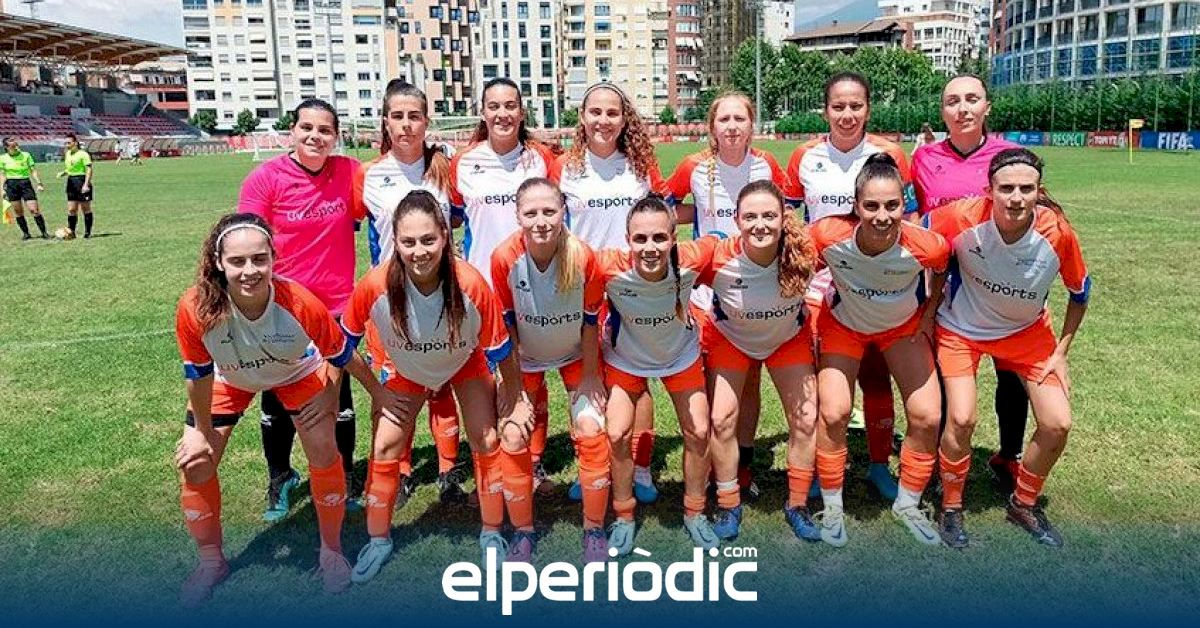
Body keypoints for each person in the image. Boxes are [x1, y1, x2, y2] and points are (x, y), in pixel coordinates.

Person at [344, 191, 534, 581]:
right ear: (395, 241)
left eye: (428, 239)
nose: (419, 251)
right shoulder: (375, 284)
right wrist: (377, 391)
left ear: (445, 236)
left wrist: (515, 397)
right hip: (408, 369)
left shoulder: (469, 282)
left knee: (485, 438)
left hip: (464, 361)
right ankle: (378, 540)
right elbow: (342, 346)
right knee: (385, 445)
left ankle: (491, 532)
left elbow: (501, 349)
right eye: (409, 241)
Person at [173, 214, 356, 605]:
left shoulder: (298, 301)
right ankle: (211, 563)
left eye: (259, 259)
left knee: (324, 448)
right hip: (230, 377)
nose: (249, 270)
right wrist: (201, 432)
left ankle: (331, 553)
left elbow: (338, 352)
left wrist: (329, 395)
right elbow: (199, 374)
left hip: (295, 371)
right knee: (196, 462)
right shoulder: (196, 307)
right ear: (218, 262)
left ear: (273, 258)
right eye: (237, 261)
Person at [926, 148, 1090, 549]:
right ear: (990, 190)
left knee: (1057, 423)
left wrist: (1061, 352)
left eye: (1026, 189)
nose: (1016, 198)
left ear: (1039, 191)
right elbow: (912, 234)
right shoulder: (961, 216)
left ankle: (1023, 504)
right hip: (961, 329)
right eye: (1006, 188)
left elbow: (1080, 293)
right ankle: (951, 506)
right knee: (961, 418)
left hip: (1027, 334)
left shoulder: (1057, 233)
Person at [784, 72, 917, 500]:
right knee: (823, 385)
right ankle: (822, 466)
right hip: (821, 289)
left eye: (855, 106)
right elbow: (790, 221)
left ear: (868, 109)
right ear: (825, 110)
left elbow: (911, 220)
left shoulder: (890, 153)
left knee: (876, 378)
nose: (847, 114)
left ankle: (878, 465)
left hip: (877, 286)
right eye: (838, 106)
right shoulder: (804, 156)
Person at [810, 153, 949, 548]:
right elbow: (798, 261)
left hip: (900, 329)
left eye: (892, 205)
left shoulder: (928, 245)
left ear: (904, 204)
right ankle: (832, 506)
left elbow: (942, 269)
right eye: (871, 206)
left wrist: (928, 314)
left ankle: (908, 504)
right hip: (844, 327)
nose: (882, 216)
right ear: (856, 206)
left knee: (927, 416)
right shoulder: (827, 234)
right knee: (834, 412)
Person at [238, 99, 362, 521]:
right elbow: (247, 241)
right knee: (277, 397)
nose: (315, 136)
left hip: (336, 308)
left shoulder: (349, 173)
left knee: (338, 397)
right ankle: (281, 476)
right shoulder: (264, 179)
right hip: (282, 309)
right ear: (292, 130)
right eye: (307, 127)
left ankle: (344, 475)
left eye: (325, 130)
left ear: (336, 136)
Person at [664, 91, 790, 501]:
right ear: (712, 127)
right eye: (724, 119)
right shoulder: (694, 166)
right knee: (707, 384)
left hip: (755, 289)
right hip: (707, 291)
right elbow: (667, 207)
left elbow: (785, 213)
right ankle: (706, 464)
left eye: (740, 119)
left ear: (752, 124)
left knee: (749, 379)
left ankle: (743, 464)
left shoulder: (767, 165)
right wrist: (699, 221)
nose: (732, 127)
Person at [549, 82, 666, 504]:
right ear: (582, 117)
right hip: (579, 287)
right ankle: (593, 465)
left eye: (612, 112)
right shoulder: (563, 168)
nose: (603, 120)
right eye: (595, 112)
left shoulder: (640, 166)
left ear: (624, 118)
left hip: (631, 287)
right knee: (584, 380)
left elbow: (663, 217)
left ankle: (641, 468)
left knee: (636, 381)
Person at [912, 75, 1028, 491]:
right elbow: (916, 219)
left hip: (1002, 285)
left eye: (972, 99)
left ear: (987, 107)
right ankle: (943, 460)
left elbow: (1029, 213)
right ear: (942, 111)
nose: (963, 109)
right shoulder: (924, 158)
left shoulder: (1011, 156)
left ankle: (1009, 456)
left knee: (1011, 375)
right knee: (949, 376)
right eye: (953, 101)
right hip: (947, 288)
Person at [353, 79, 466, 504]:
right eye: (397, 116)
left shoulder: (444, 171)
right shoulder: (367, 174)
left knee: (442, 383)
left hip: (441, 295)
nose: (406, 125)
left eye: (414, 116)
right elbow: (348, 226)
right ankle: (397, 470)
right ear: (385, 121)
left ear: (426, 121)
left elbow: (459, 220)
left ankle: (448, 470)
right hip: (389, 301)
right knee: (395, 385)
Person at [491, 178, 610, 563]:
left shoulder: (583, 256)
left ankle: (594, 528)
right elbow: (507, 326)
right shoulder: (504, 258)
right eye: (531, 213)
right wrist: (513, 390)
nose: (540, 221)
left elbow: (591, 322)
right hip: (525, 359)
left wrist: (590, 377)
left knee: (591, 429)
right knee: (512, 435)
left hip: (576, 355)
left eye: (549, 211)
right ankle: (523, 533)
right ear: (517, 216)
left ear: (563, 212)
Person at [450, 77, 556, 489]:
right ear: (482, 112)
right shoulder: (464, 162)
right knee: (486, 378)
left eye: (510, 105)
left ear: (522, 112)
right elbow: (453, 217)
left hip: (531, 285)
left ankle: (534, 460)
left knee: (532, 373)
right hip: (481, 290)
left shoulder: (541, 159)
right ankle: (492, 461)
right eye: (494, 106)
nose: (502, 114)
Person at [698, 180, 819, 542]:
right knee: (721, 420)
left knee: (806, 419)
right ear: (736, 220)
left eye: (769, 215)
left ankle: (798, 503)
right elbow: (670, 262)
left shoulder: (806, 249)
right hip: (731, 340)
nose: (760, 225)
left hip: (786, 339)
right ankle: (728, 502)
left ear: (784, 217)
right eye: (750, 217)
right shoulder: (717, 255)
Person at [596, 196, 718, 554]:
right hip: (626, 359)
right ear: (627, 240)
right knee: (617, 432)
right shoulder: (608, 266)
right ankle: (623, 516)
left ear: (674, 238)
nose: (650, 248)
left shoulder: (692, 258)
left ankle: (695, 513)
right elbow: (568, 258)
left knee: (698, 430)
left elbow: (724, 242)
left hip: (679, 356)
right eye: (640, 239)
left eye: (660, 238)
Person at [1, 137, 48, 240]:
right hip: (11, 185)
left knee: (34, 210)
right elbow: (3, 175)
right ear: (7, 147)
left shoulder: (26, 155)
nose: (16, 147)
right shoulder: (2, 158)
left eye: (16, 145)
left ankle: (44, 233)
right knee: (18, 212)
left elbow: (33, 171)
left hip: (25, 183)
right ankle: (26, 234)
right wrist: (2, 189)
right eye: (13, 146)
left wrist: (39, 183)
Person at [57, 134, 95, 238]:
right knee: (71, 209)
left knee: (85, 208)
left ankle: (87, 233)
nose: (67, 145)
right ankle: (71, 232)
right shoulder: (68, 154)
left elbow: (89, 169)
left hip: (81, 181)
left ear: (75, 143)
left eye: (69, 143)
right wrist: (64, 173)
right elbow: (71, 168)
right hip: (71, 182)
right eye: (65, 143)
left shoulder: (83, 154)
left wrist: (86, 184)